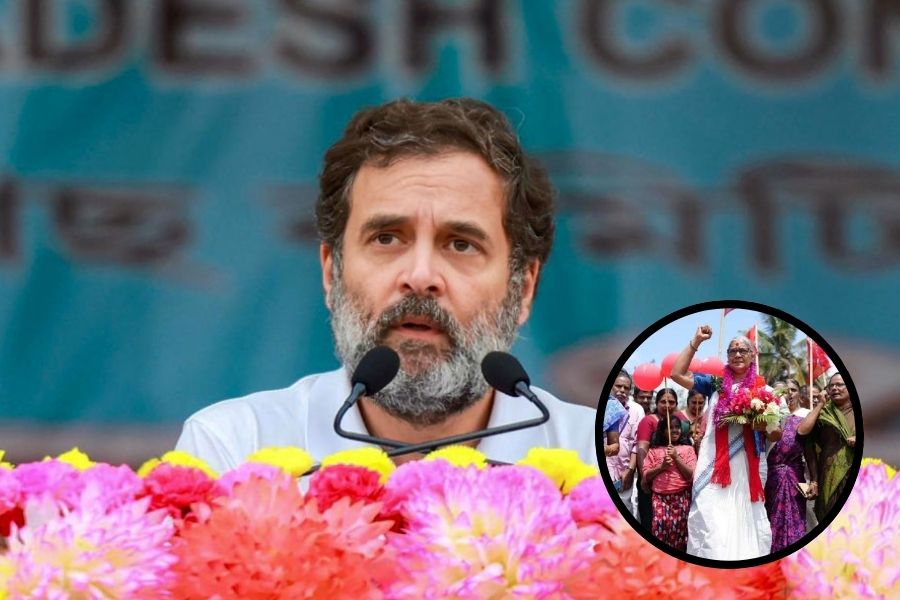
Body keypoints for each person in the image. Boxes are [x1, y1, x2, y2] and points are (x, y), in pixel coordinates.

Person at [174, 98, 597, 473]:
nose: (420, 276)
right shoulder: (235, 451)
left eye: (461, 244)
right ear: (331, 272)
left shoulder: (600, 463)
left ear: (523, 289)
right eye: (387, 239)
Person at [671, 326, 782, 560]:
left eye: (743, 350)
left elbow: (776, 434)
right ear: (728, 356)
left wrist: (762, 426)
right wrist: (696, 341)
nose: (737, 354)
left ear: (752, 355)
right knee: (710, 514)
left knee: (745, 517)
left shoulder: (765, 390)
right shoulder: (715, 384)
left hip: (748, 466)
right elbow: (677, 374)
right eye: (733, 351)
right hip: (714, 463)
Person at [798, 372, 856, 521]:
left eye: (840, 385)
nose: (835, 388)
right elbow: (803, 433)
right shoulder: (824, 413)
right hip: (828, 476)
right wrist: (814, 480)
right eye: (832, 386)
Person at [764, 376, 811, 552]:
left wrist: (814, 479)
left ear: (799, 394)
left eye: (793, 390)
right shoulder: (768, 417)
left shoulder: (806, 416)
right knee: (770, 521)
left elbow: (811, 451)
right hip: (771, 478)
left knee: (796, 520)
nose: (788, 394)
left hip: (794, 477)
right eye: (784, 391)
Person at [642, 414, 696, 551]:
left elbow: (691, 475)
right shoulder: (653, 451)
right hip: (660, 498)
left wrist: (677, 458)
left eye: (677, 427)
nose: (675, 430)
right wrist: (662, 467)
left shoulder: (688, 449)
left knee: (681, 535)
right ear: (663, 431)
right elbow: (646, 476)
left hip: (682, 497)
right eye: (670, 428)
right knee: (659, 531)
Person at [635, 388, 687, 530]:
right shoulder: (648, 421)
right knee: (651, 523)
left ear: (676, 404)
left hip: (675, 487)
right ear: (656, 403)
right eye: (663, 402)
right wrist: (644, 478)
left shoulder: (680, 422)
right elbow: (642, 449)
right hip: (651, 480)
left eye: (671, 402)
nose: (667, 405)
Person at [606, 370, 644, 516]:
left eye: (626, 388)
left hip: (624, 472)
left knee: (624, 515)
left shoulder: (636, 410)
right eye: (618, 386)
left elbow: (637, 443)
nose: (622, 390)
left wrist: (630, 470)